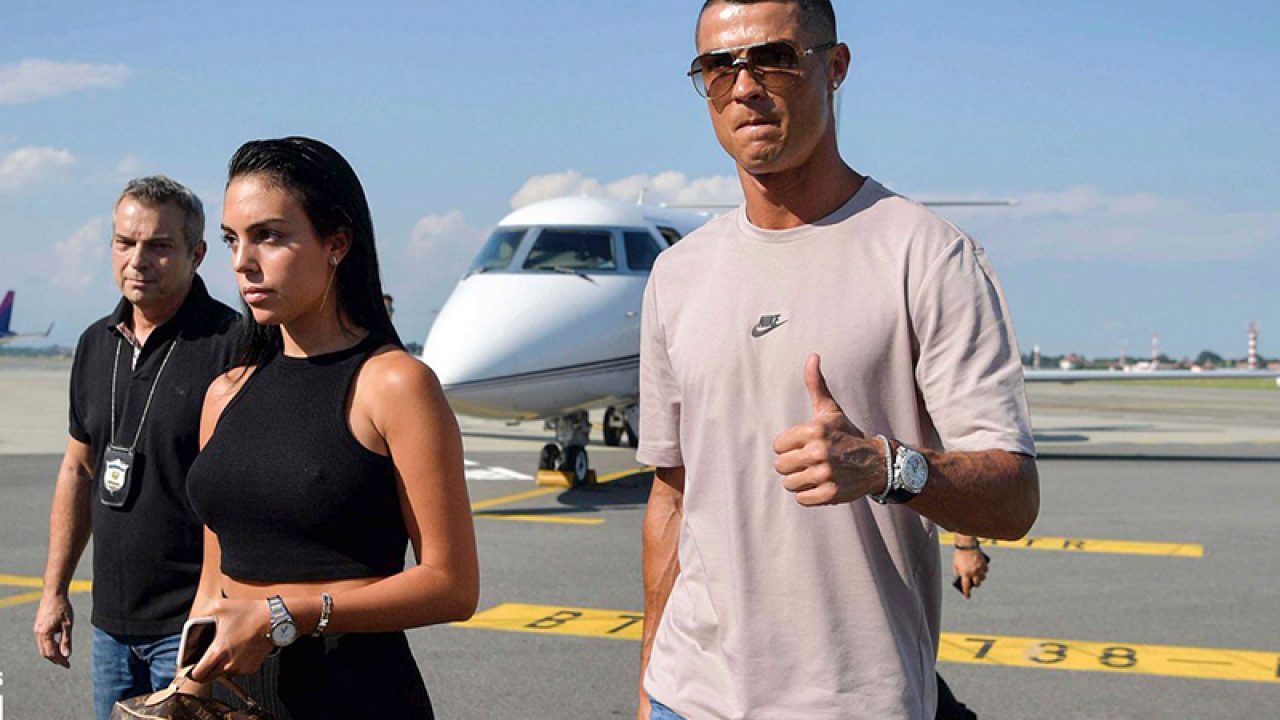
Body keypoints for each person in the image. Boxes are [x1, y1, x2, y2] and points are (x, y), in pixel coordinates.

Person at [637, 2, 1039, 718]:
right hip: (687, 697)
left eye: (773, 59)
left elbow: (1013, 500)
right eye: (718, 68)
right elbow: (672, 494)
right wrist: (648, 683)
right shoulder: (677, 275)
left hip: (854, 701)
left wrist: (887, 467)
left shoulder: (928, 255)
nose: (744, 86)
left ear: (836, 67)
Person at [184, 136, 478, 719]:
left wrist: (285, 615)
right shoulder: (226, 392)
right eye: (232, 239)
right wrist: (186, 688)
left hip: (354, 696)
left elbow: (451, 585)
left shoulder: (394, 384)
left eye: (269, 236)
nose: (243, 261)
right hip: (232, 699)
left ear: (337, 244)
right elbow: (214, 582)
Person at [33, 176, 239, 720]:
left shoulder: (231, 344)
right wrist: (54, 592)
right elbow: (79, 471)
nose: (138, 260)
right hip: (111, 626)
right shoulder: (95, 342)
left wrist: (221, 614)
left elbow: (244, 494)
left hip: (194, 626)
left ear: (197, 254)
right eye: (125, 243)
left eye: (159, 246)